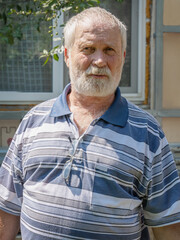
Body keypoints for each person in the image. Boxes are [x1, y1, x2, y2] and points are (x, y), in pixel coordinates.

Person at [0, 7, 180, 240]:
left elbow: (168, 226)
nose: (99, 60)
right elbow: (7, 207)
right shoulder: (34, 121)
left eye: (109, 50)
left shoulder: (147, 133)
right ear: (66, 55)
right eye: (88, 49)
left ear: (123, 57)